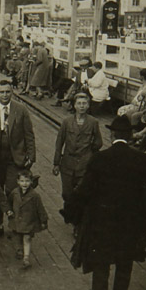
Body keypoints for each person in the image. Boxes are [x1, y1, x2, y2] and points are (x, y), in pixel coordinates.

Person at [65, 115, 146, 290]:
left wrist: (71, 213)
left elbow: (84, 191)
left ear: (111, 134)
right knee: (125, 263)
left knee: (101, 266)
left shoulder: (99, 158)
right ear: (131, 136)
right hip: (129, 224)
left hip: (102, 223)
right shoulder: (142, 160)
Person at [0, 80, 36, 194]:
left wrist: (31, 157)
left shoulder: (21, 110)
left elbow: (29, 134)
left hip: (14, 158)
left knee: (13, 190)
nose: (5, 95)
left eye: (7, 92)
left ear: (12, 92)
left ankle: (11, 211)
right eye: (2, 92)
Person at [53, 93, 103, 223]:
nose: (82, 106)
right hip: (67, 163)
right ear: (74, 105)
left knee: (81, 192)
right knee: (67, 193)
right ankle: (69, 211)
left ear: (88, 105)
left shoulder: (93, 122)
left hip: (84, 163)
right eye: (79, 103)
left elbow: (98, 142)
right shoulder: (66, 122)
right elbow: (59, 142)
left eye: (84, 103)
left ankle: (77, 221)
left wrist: (89, 153)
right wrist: (56, 163)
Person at [8, 169, 47, 269]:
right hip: (16, 220)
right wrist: (9, 211)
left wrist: (43, 220)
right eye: (22, 181)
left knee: (27, 238)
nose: (24, 184)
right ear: (17, 182)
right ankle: (18, 250)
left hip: (28, 221)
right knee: (16, 237)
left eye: (27, 181)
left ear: (31, 182)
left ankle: (26, 258)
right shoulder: (14, 193)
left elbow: (40, 208)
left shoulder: (35, 196)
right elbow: (9, 202)